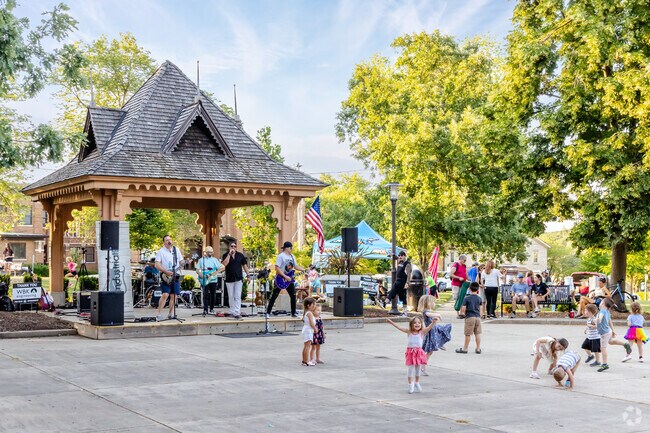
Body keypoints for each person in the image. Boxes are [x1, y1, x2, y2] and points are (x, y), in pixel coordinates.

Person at [387, 316, 434, 394]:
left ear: (421, 324)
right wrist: (391, 322)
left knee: (418, 368)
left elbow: (429, 327)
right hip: (411, 352)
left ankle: (417, 382)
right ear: (411, 324)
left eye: (419, 323)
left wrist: (433, 322)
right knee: (410, 369)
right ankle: (410, 384)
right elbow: (399, 327)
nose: (417, 324)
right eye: (415, 323)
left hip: (419, 353)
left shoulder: (421, 332)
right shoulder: (409, 332)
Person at [267, 241, 305, 318]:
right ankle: (268, 312)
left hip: (289, 279)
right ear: (287, 248)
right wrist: (285, 276)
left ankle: (293, 313)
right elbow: (277, 268)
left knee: (293, 295)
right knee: (275, 295)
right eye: (291, 248)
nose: (292, 249)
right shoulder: (281, 256)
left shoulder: (292, 257)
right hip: (280, 278)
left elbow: (296, 266)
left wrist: (304, 270)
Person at [594, 297, 632, 371]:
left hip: (604, 333)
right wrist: (613, 330)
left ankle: (604, 364)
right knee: (611, 342)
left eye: (601, 302)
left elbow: (600, 319)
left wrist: (595, 320)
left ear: (603, 304)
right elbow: (609, 321)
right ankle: (625, 344)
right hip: (608, 331)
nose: (600, 303)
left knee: (603, 348)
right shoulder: (607, 311)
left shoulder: (602, 311)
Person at [419, 295, 452, 375]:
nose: (434, 303)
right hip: (430, 333)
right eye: (432, 302)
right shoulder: (426, 312)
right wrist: (438, 315)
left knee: (447, 328)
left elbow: (431, 314)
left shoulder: (429, 311)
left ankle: (440, 343)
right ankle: (422, 367)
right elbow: (429, 315)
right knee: (429, 351)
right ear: (427, 303)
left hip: (434, 330)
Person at [155, 234, 183, 321]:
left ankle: (171, 314)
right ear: (164, 242)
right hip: (165, 275)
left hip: (176, 275)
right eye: (167, 240)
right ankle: (158, 313)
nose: (169, 241)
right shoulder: (161, 251)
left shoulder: (176, 250)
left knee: (174, 295)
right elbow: (157, 264)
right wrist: (165, 271)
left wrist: (183, 263)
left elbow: (181, 261)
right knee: (165, 294)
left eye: (170, 239)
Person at [221, 241, 251, 320]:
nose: (233, 248)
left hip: (238, 278)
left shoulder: (240, 255)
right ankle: (232, 311)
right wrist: (229, 255)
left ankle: (237, 312)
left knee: (237, 296)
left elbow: (245, 266)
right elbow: (224, 264)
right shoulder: (225, 255)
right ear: (229, 247)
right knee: (231, 296)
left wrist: (248, 275)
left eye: (234, 246)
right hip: (229, 278)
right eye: (232, 246)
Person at [456, 282, 483, 354]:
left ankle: (465, 348)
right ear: (477, 289)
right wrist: (479, 316)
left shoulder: (466, 298)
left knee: (468, 334)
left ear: (469, 289)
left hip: (470, 317)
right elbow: (481, 311)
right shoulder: (479, 298)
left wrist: (462, 314)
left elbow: (463, 310)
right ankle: (478, 348)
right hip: (478, 317)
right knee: (477, 333)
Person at [196, 246, 223, 315]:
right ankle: (205, 309)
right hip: (204, 279)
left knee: (213, 295)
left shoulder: (215, 260)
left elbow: (221, 268)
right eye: (209, 252)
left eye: (211, 252)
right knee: (205, 295)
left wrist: (215, 273)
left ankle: (211, 308)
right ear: (206, 252)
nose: (210, 253)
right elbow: (197, 269)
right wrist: (200, 274)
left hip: (213, 280)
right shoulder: (201, 260)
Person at [387, 251, 412, 315]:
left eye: (401, 255)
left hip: (402, 283)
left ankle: (405, 312)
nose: (400, 256)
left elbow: (409, 275)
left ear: (405, 256)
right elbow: (396, 257)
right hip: (397, 281)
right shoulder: (399, 262)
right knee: (395, 294)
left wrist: (407, 283)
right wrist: (392, 255)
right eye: (399, 255)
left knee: (400, 296)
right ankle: (385, 302)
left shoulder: (407, 264)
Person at [301, 297, 318, 366]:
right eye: (313, 305)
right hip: (308, 330)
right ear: (308, 305)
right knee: (307, 346)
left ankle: (304, 360)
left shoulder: (307, 312)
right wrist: (315, 329)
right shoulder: (309, 313)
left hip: (306, 329)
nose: (314, 306)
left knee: (306, 346)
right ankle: (306, 360)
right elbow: (311, 323)